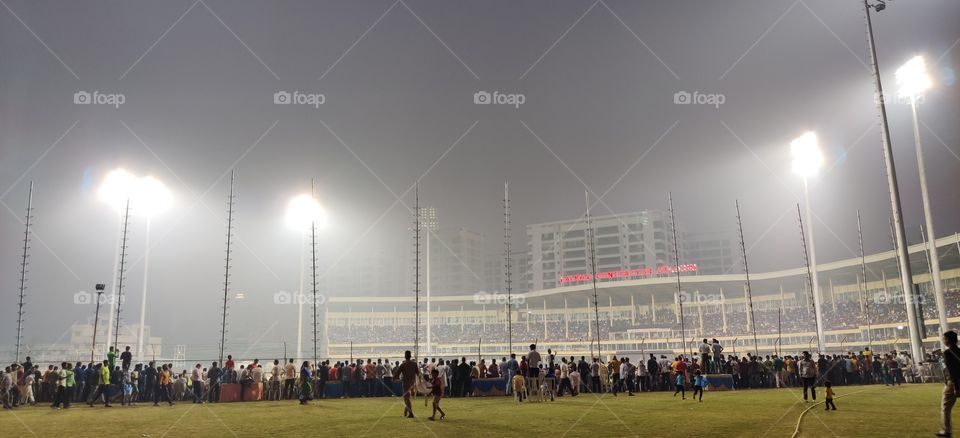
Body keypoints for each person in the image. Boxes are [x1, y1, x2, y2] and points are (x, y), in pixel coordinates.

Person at [938, 331, 960, 437]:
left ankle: (946, 431)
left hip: (953, 383)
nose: (943, 340)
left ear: (947, 340)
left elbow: (952, 371)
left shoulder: (947, 353)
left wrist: (956, 387)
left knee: (945, 407)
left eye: (944, 338)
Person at [394, 350, 420, 418]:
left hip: (406, 383)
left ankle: (411, 414)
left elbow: (397, 374)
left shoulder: (403, 365)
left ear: (405, 356)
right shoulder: (414, 364)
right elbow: (418, 374)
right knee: (407, 398)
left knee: (406, 398)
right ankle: (405, 412)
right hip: (412, 383)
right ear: (410, 356)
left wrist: (394, 379)